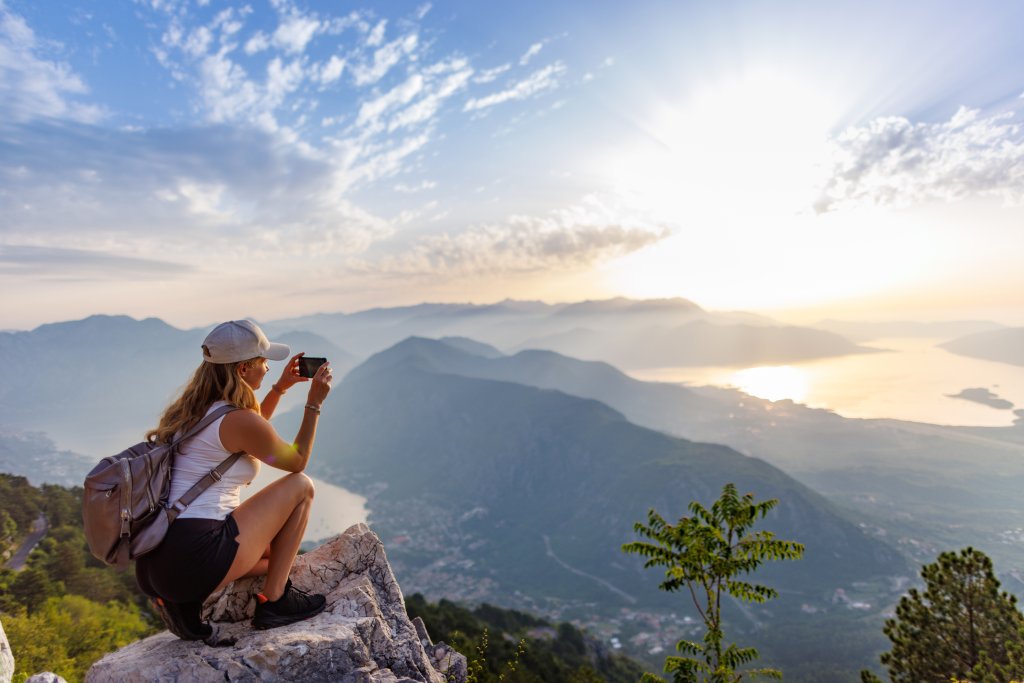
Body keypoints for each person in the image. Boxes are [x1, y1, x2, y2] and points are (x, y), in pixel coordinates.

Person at [135, 319, 333, 640]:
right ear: (243, 370)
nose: (268, 368)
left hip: (159, 560)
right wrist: (314, 403)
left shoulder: (193, 411)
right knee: (302, 486)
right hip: (196, 554)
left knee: (277, 555)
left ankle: (183, 602)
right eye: (263, 361)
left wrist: (280, 389)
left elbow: (249, 436)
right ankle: (276, 601)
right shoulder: (237, 420)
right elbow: (296, 462)